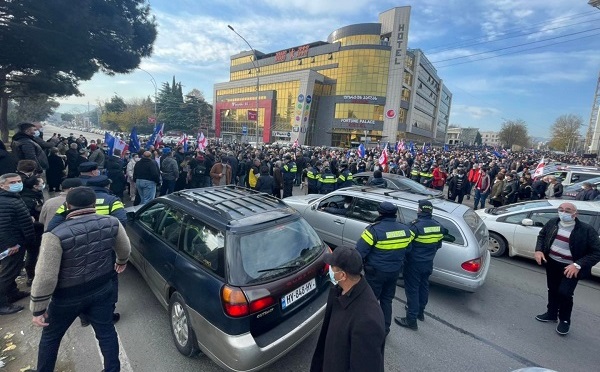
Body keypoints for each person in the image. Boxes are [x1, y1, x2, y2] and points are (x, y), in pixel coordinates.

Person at [29, 186, 131, 371]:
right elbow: (124, 249)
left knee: (51, 337)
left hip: (66, 297)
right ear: (94, 204)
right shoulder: (112, 222)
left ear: (68, 205)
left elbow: (46, 276)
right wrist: (121, 262)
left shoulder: (54, 234)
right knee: (106, 332)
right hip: (102, 288)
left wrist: (38, 308)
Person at [310, 246, 385, 372]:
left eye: (332, 268)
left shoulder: (368, 321)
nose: (330, 270)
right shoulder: (341, 291)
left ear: (343, 275)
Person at [534, 202, 600, 335]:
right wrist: (539, 250)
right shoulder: (553, 222)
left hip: (571, 267)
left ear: (575, 214)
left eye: (568, 210)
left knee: (564, 293)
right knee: (552, 289)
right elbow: (542, 236)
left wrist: (578, 265)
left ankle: (564, 320)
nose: (563, 212)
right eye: (561, 209)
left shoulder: (586, 230)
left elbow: (597, 252)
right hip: (552, 263)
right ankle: (551, 313)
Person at [356, 201, 414, 335]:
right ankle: (385, 329)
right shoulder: (405, 230)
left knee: (370, 301)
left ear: (380, 213)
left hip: (375, 273)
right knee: (387, 301)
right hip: (394, 271)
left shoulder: (373, 230)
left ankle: (366, 329)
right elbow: (408, 250)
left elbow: (360, 252)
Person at [395, 200, 446, 330]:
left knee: (412, 289)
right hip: (428, 262)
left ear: (419, 210)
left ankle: (411, 320)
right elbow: (438, 245)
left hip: (414, 264)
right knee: (423, 287)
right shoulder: (438, 226)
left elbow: (406, 246)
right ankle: (420, 313)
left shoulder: (415, 226)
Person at [0, 173, 35, 315]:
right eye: (13, 182)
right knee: (8, 272)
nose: (17, 184)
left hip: (19, 240)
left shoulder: (13, 197)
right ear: (2, 185)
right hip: (12, 244)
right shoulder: (4, 201)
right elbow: (2, 226)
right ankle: (2, 304)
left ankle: (12, 292)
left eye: (19, 181)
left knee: (14, 269)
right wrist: (10, 245)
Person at [21, 175, 46, 286]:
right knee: (32, 253)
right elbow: (27, 218)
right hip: (33, 229)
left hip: (38, 228)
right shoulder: (27, 199)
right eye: (41, 182)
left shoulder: (36, 194)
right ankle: (31, 276)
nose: (43, 183)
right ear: (35, 186)